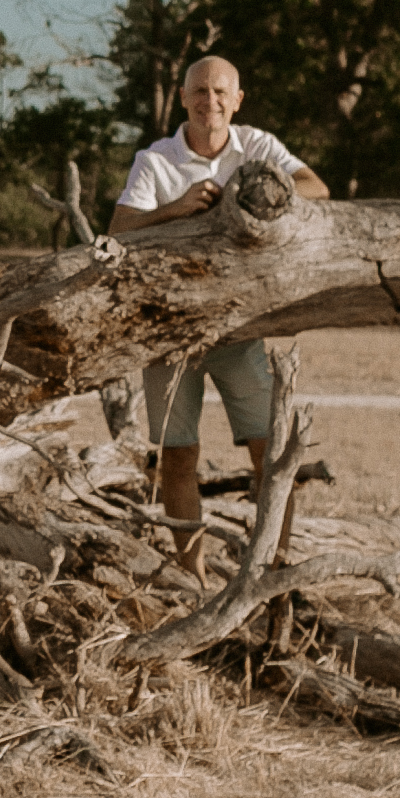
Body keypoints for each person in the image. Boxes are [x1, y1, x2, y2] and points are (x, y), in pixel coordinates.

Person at [108, 55, 332, 575]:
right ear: (184, 98)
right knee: (178, 457)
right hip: (168, 333)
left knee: (271, 454)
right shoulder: (156, 161)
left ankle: (272, 569)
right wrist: (176, 208)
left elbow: (317, 188)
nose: (211, 101)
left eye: (221, 92)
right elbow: (118, 230)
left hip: (238, 328)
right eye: (200, 92)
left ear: (238, 100)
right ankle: (192, 578)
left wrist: (244, 196)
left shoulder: (256, 145)